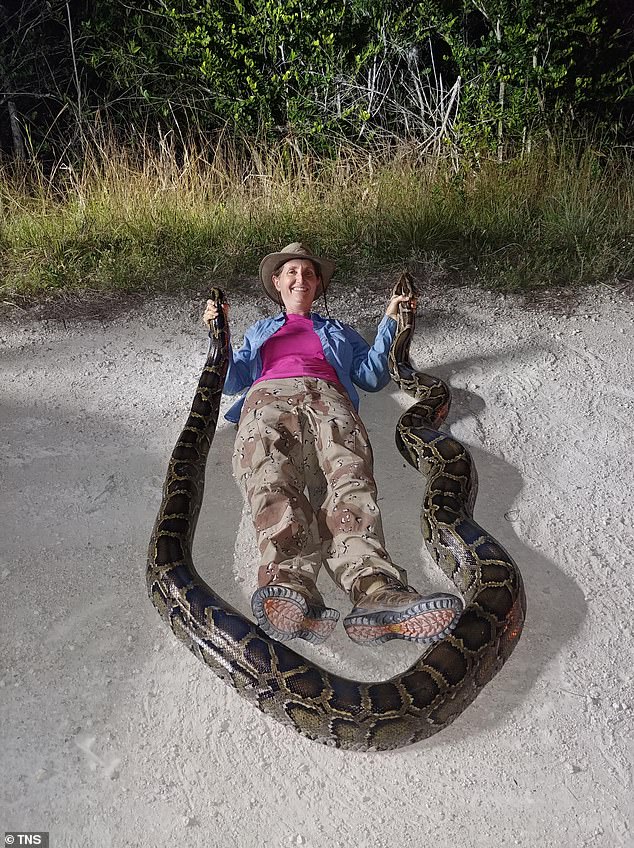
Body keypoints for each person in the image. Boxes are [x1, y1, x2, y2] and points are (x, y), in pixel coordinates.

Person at [203, 242, 462, 646]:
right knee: (270, 479)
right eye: (291, 272)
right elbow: (232, 379)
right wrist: (218, 334)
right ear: (277, 282)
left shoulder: (337, 331)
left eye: (308, 273)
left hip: (329, 397)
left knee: (350, 481)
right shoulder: (260, 331)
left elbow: (373, 376)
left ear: (318, 284)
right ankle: (290, 586)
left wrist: (390, 323)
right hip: (268, 399)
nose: (300, 279)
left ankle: (376, 590)